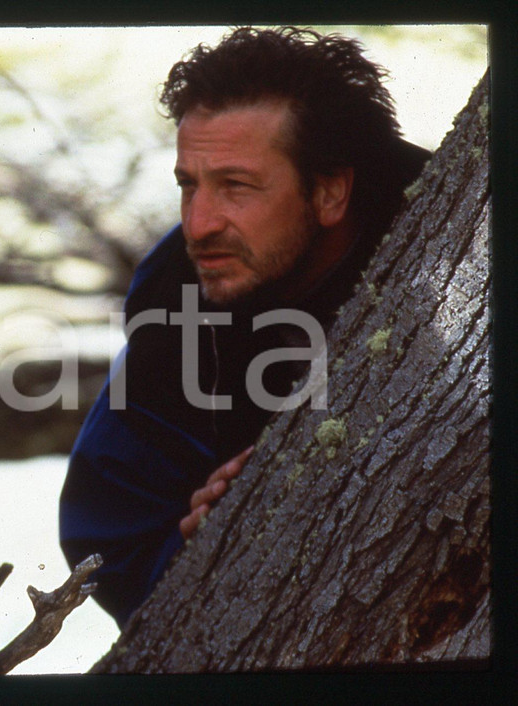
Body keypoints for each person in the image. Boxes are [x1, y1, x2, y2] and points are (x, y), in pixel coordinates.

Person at [59, 26, 430, 629]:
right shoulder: (173, 318)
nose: (198, 224)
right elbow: (109, 543)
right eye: (189, 185)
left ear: (331, 191)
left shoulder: (459, 246)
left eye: (236, 185)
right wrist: (204, 542)